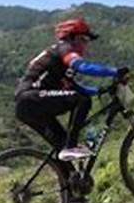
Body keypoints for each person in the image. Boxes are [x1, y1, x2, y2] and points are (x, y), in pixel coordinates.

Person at [15, 17, 128, 162]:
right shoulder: (64, 49)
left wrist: (99, 90)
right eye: (83, 40)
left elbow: (75, 87)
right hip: (30, 97)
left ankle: (70, 180)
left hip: (29, 104)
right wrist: (115, 71)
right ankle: (71, 147)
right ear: (71, 38)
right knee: (82, 100)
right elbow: (83, 67)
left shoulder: (60, 61)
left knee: (62, 151)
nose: (85, 45)